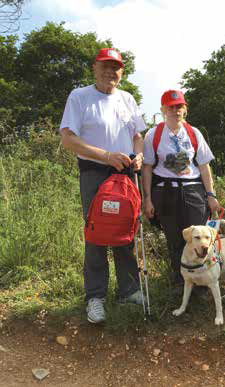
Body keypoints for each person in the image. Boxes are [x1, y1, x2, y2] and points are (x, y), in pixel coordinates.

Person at [60, 48, 146, 324]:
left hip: (125, 176)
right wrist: (106, 156)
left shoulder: (127, 99)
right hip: (95, 172)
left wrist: (139, 155)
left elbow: (137, 136)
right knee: (97, 231)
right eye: (106, 66)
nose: (111, 72)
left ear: (122, 72)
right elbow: (68, 139)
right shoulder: (80, 96)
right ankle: (95, 297)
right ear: (95, 68)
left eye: (116, 67)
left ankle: (129, 291)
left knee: (127, 230)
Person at [142, 90, 220, 288]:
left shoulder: (194, 133)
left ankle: (203, 285)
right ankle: (180, 283)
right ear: (163, 110)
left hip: (193, 191)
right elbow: (147, 167)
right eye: (171, 107)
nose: (175, 110)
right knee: (175, 240)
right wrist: (147, 198)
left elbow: (203, 165)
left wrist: (210, 195)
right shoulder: (154, 134)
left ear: (185, 109)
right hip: (166, 192)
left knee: (200, 239)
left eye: (179, 106)